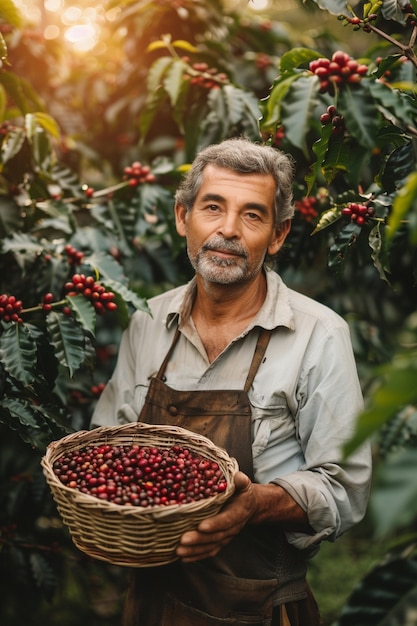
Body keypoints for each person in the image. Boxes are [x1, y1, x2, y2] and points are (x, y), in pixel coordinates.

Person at [91, 137, 372, 626]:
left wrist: (255, 505)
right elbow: (107, 447)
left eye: (252, 215)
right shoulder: (148, 322)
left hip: (257, 608)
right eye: (213, 207)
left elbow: (345, 490)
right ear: (183, 217)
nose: (227, 230)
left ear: (279, 234)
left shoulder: (318, 336)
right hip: (149, 606)